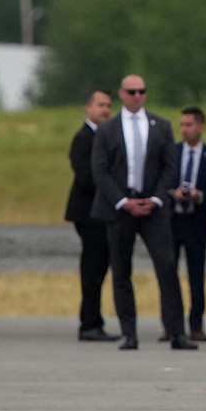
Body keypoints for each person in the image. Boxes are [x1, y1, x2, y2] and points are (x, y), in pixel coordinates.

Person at [91, 74, 193, 350]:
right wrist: (123, 201)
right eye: (132, 92)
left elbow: (169, 167)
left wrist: (158, 198)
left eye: (142, 91)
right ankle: (129, 332)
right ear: (121, 94)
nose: (137, 96)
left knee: (167, 266)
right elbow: (99, 171)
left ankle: (177, 332)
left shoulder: (161, 126)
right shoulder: (107, 130)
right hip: (120, 209)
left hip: (154, 208)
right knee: (121, 269)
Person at [63, 86, 116, 341]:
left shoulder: (106, 136)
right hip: (88, 214)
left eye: (108, 106)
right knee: (92, 269)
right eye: (101, 105)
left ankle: (94, 320)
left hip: (103, 213)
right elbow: (86, 177)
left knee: (100, 269)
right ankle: (89, 324)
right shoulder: (84, 138)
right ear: (88, 107)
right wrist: (113, 188)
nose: (105, 110)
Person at [168, 106, 206, 342]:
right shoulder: (172, 152)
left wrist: (199, 195)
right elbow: (160, 180)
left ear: (200, 126)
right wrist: (172, 192)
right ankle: (172, 326)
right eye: (182, 125)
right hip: (172, 221)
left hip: (196, 223)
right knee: (169, 274)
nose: (184, 130)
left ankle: (196, 325)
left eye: (189, 125)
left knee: (196, 275)